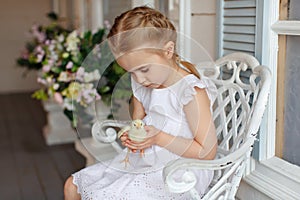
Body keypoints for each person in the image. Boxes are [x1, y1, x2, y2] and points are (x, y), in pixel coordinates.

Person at [64, 6, 218, 200]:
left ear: (168, 51)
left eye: (144, 69)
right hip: (145, 161)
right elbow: (139, 123)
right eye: (131, 73)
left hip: (180, 171)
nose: (140, 79)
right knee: (72, 186)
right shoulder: (143, 83)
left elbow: (207, 152)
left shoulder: (189, 92)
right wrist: (134, 137)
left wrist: (158, 138)